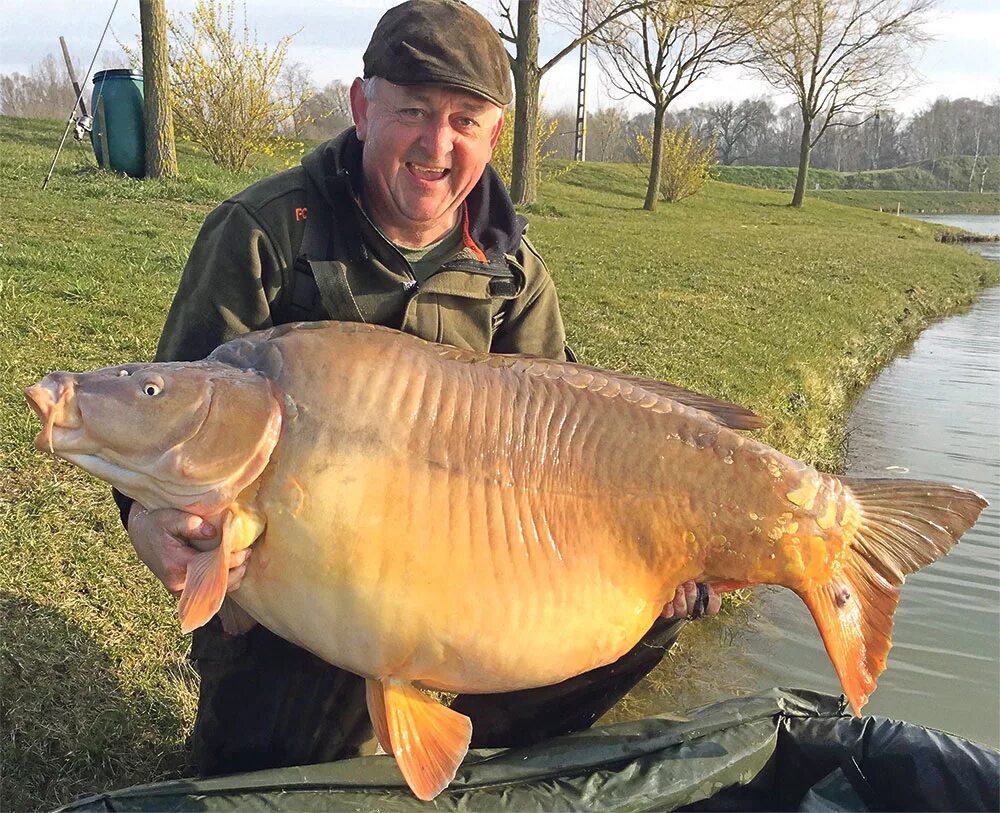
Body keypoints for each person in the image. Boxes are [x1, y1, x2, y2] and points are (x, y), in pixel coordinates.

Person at [114, 0, 720, 777]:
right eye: (413, 112)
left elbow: (570, 459)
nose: (438, 145)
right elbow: (167, 420)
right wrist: (146, 519)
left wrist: (657, 554)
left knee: (640, 611)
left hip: (470, 569)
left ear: (495, 135)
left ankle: (486, 751)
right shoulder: (267, 232)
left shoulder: (514, 276)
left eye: (466, 121)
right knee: (279, 773)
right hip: (305, 588)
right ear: (363, 108)